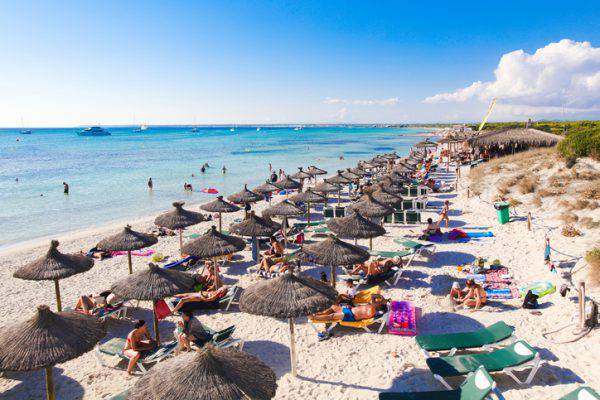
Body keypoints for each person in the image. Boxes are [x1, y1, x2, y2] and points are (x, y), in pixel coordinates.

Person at [312, 294, 388, 322]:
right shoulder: (371, 305)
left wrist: (382, 301)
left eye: (378, 303)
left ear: (379, 306)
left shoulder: (372, 311)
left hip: (351, 315)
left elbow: (375, 304)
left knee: (332, 316)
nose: (376, 302)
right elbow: (373, 296)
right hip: (349, 309)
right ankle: (320, 313)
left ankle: (315, 317)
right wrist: (381, 297)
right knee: (333, 307)